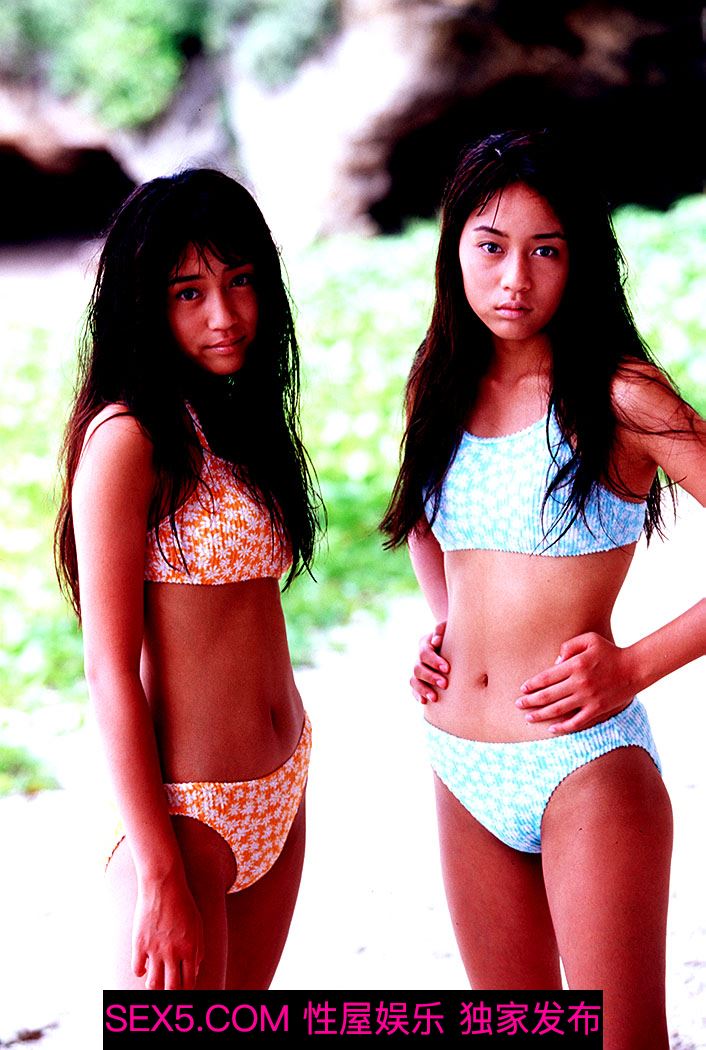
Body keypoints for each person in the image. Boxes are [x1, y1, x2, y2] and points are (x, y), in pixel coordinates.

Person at [381, 129, 705, 1048]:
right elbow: (427, 524)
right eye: (490, 246)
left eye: (546, 251)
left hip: (585, 765)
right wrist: (447, 623)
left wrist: (634, 666)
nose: (514, 279)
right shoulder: (436, 383)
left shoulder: (621, 395)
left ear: (580, 260)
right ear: (455, 249)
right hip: (459, 762)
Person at [55, 169, 322, 990]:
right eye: (189, 293)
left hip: (281, 790)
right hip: (185, 817)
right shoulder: (126, 439)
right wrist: (159, 869)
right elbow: (108, 670)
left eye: (239, 281)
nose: (224, 315)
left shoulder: (234, 416)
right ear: (146, 304)